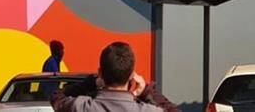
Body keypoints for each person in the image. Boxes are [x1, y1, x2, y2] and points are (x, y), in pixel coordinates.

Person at [51, 42, 180, 112]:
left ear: (100, 73)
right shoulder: (147, 110)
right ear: (132, 76)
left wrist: (91, 82)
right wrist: (145, 91)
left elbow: (57, 97)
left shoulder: (81, 107)